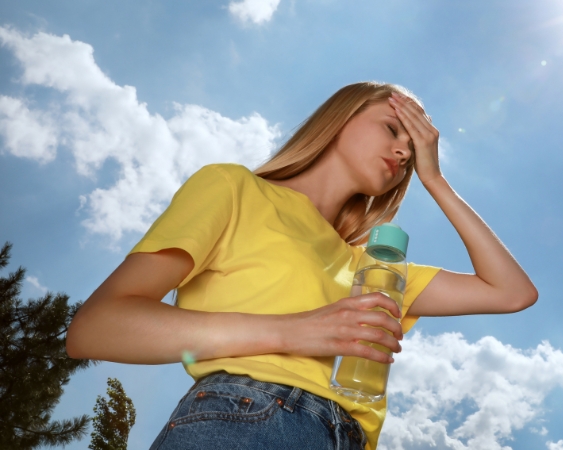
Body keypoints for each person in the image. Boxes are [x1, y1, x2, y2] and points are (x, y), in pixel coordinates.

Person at [66, 81, 538, 450]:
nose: (402, 152)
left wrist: (435, 179)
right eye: (393, 129)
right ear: (339, 119)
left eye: (411, 153)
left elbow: (511, 291)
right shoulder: (235, 189)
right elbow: (97, 327)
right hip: (246, 419)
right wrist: (293, 331)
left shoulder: (372, 269)